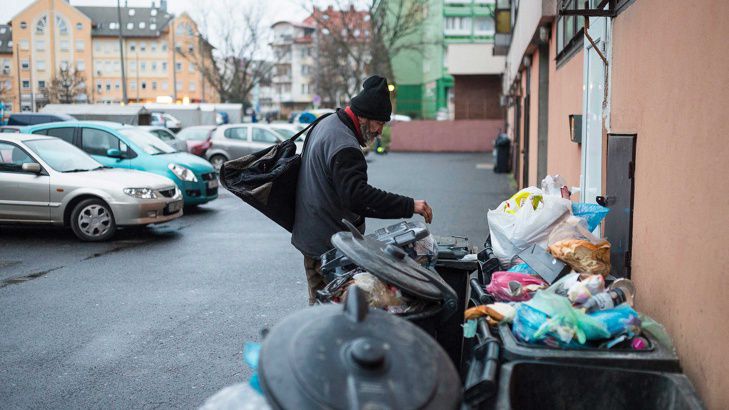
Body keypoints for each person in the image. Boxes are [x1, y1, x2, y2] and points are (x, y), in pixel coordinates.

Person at [292, 75, 433, 305]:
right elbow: (358, 197)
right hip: (329, 246)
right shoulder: (345, 146)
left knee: (320, 308)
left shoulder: (325, 124)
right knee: (336, 317)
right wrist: (410, 205)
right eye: (380, 123)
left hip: (312, 237)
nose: (380, 131)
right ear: (365, 118)